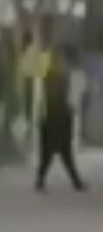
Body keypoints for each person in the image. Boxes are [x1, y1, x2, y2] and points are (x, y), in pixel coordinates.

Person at [37, 49, 85, 193]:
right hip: (57, 120)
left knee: (57, 154)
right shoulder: (55, 78)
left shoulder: (55, 78)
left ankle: (75, 182)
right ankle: (75, 182)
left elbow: (65, 99)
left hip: (56, 120)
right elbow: (58, 100)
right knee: (56, 154)